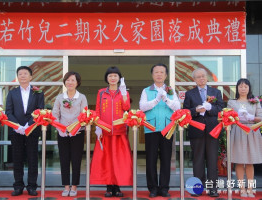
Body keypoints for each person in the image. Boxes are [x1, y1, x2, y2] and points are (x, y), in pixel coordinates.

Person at [90, 66, 132, 197]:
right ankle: (108, 186)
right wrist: (98, 127)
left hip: (119, 132)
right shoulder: (101, 92)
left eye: (115, 76)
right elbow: (97, 110)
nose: (113, 78)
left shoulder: (124, 92)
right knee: (107, 161)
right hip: (105, 132)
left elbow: (126, 107)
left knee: (118, 161)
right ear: (106, 78)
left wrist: (124, 93)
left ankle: (117, 186)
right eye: (110, 76)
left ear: (119, 78)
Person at [139, 63, 180, 198]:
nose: (159, 74)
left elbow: (177, 107)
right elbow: (142, 107)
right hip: (151, 129)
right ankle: (152, 188)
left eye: (162, 72)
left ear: (166, 75)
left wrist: (166, 98)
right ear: (152, 75)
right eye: (156, 72)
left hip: (168, 129)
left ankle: (164, 188)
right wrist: (156, 100)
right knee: (151, 159)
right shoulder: (146, 90)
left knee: (166, 159)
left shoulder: (170, 90)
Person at [183, 68, 224, 197]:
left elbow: (221, 109)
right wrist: (196, 110)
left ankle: (212, 189)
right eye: (198, 77)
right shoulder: (189, 94)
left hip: (213, 130)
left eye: (203, 76)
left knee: (212, 160)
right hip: (196, 130)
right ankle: (198, 188)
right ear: (194, 80)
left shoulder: (216, 92)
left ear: (207, 78)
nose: (201, 78)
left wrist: (210, 108)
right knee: (198, 160)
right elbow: (186, 111)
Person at [6, 66, 44, 196]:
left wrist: (29, 125)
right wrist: (18, 126)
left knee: (33, 158)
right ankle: (18, 186)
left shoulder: (38, 92)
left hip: (32, 130)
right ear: (17, 77)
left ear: (31, 77)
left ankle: (32, 186)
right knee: (17, 159)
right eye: (20, 74)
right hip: (16, 131)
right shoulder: (12, 93)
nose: (22, 76)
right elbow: (8, 112)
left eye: (25, 73)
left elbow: (40, 110)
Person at [52, 71, 88, 197]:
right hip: (62, 133)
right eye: (68, 80)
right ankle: (66, 186)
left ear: (77, 82)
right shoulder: (59, 98)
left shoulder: (82, 97)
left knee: (76, 160)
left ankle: (74, 186)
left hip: (77, 133)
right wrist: (61, 128)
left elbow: (84, 115)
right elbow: (55, 115)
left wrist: (74, 128)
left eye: (73, 80)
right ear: (65, 82)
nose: (70, 82)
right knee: (64, 160)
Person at [227, 78, 262, 198]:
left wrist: (251, 117)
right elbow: (228, 117)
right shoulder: (232, 102)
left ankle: (250, 189)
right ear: (237, 88)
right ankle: (242, 188)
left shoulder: (255, 101)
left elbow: (260, 117)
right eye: (241, 86)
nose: (243, 89)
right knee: (240, 161)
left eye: (245, 86)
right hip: (238, 131)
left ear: (249, 88)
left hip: (252, 131)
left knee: (250, 161)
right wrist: (236, 118)